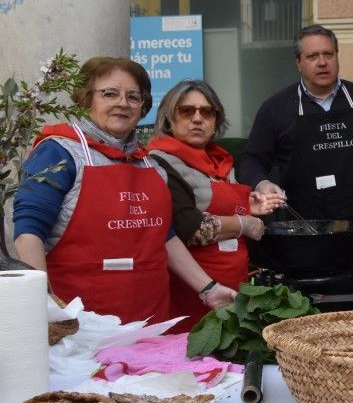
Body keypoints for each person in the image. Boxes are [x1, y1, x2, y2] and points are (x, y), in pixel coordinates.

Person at [13, 57, 239, 324]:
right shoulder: (58, 152)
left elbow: (164, 237)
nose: (123, 103)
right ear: (86, 99)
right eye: (110, 94)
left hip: (151, 322)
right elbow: (28, 232)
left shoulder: (151, 165)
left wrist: (208, 289)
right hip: (79, 324)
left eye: (133, 97)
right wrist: (44, 303)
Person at [147, 80, 285, 332]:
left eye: (206, 112)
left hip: (234, 283)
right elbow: (190, 228)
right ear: (169, 119)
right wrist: (244, 224)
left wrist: (247, 206)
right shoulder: (159, 163)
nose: (198, 118)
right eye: (187, 111)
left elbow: (214, 206)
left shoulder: (220, 162)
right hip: (193, 291)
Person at [240, 25, 353, 227]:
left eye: (328, 54)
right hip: (302, 228)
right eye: (312, 56)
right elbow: (251, 160)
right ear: (298, 62)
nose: (322, 62)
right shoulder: (275, 108)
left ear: (337, 56)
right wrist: (262, 184)